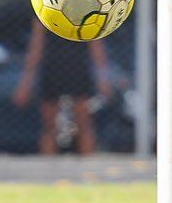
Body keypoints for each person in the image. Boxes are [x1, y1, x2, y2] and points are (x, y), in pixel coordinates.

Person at [14, 19, 110, 156]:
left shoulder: (85, 13)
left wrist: (103, 78)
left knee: (84, 124)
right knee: (50, 126)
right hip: (52, 70)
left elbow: (96, 46)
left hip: (78, 69)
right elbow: (36, 47)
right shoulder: (45, 13)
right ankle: (49, 171)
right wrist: (26, 83)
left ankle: (88, 168)